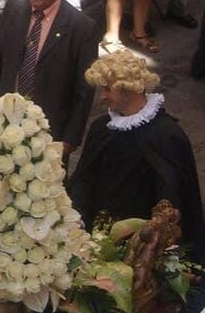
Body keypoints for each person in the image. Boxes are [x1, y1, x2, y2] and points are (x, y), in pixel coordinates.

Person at [69, 50, 205, 261]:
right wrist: (77, 214)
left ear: (129, 90)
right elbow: (84, 178)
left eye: (107, 89)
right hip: (95, 239)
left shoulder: (166, 135)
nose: (103, 96)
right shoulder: (101, 128)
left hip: (140, 246)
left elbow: (171, 197)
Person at [0, 0, 98, 153]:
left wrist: (71, 138)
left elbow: (84, 89)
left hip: (49, 128)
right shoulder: (14, 9)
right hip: (4, 120)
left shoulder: (81, 28)